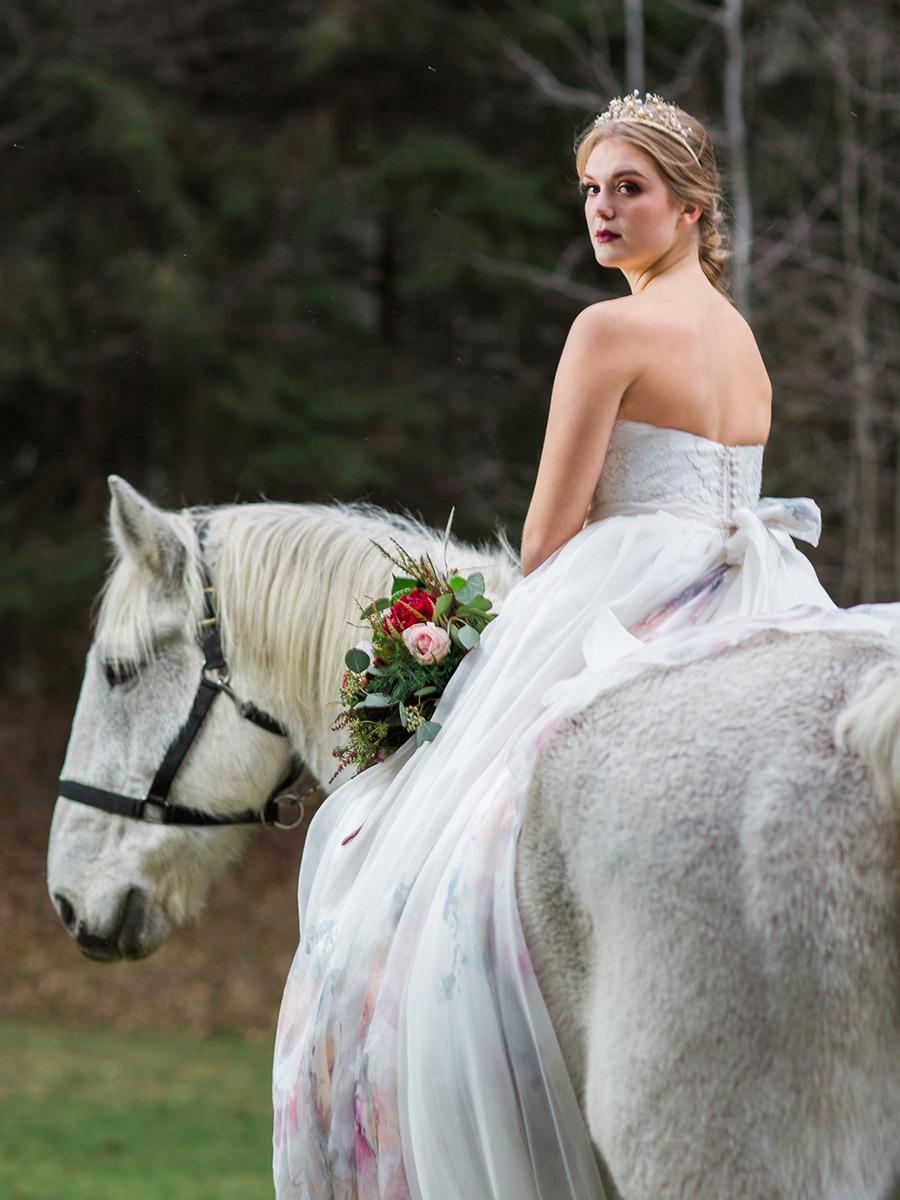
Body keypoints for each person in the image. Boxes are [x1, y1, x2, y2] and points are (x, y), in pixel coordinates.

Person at [272, 93, 835, 1200]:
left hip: (626, 587)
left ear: (689, 205)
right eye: (590, 189)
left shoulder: (608, 330)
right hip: (747, 585)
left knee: (426, 841)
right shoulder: (739, 338)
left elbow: (546, 536)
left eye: (628, 188)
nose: (602, 210)